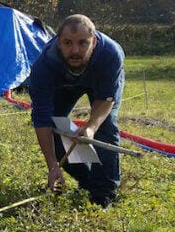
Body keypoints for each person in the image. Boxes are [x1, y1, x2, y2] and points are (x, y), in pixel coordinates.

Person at [27, 14, 125, 207]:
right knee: (56, 125)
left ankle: (104, 192)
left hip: (100, 84)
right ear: (58, 43)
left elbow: (106, 99)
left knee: (105, 126)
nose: (75, 50)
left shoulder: (110, 55)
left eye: (83, 43)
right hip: (64, 83)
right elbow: (42, 119)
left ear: (94, 42)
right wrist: (52, 165)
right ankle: (87, 179)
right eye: (68, 43)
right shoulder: (44, 66)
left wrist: (90, 128)